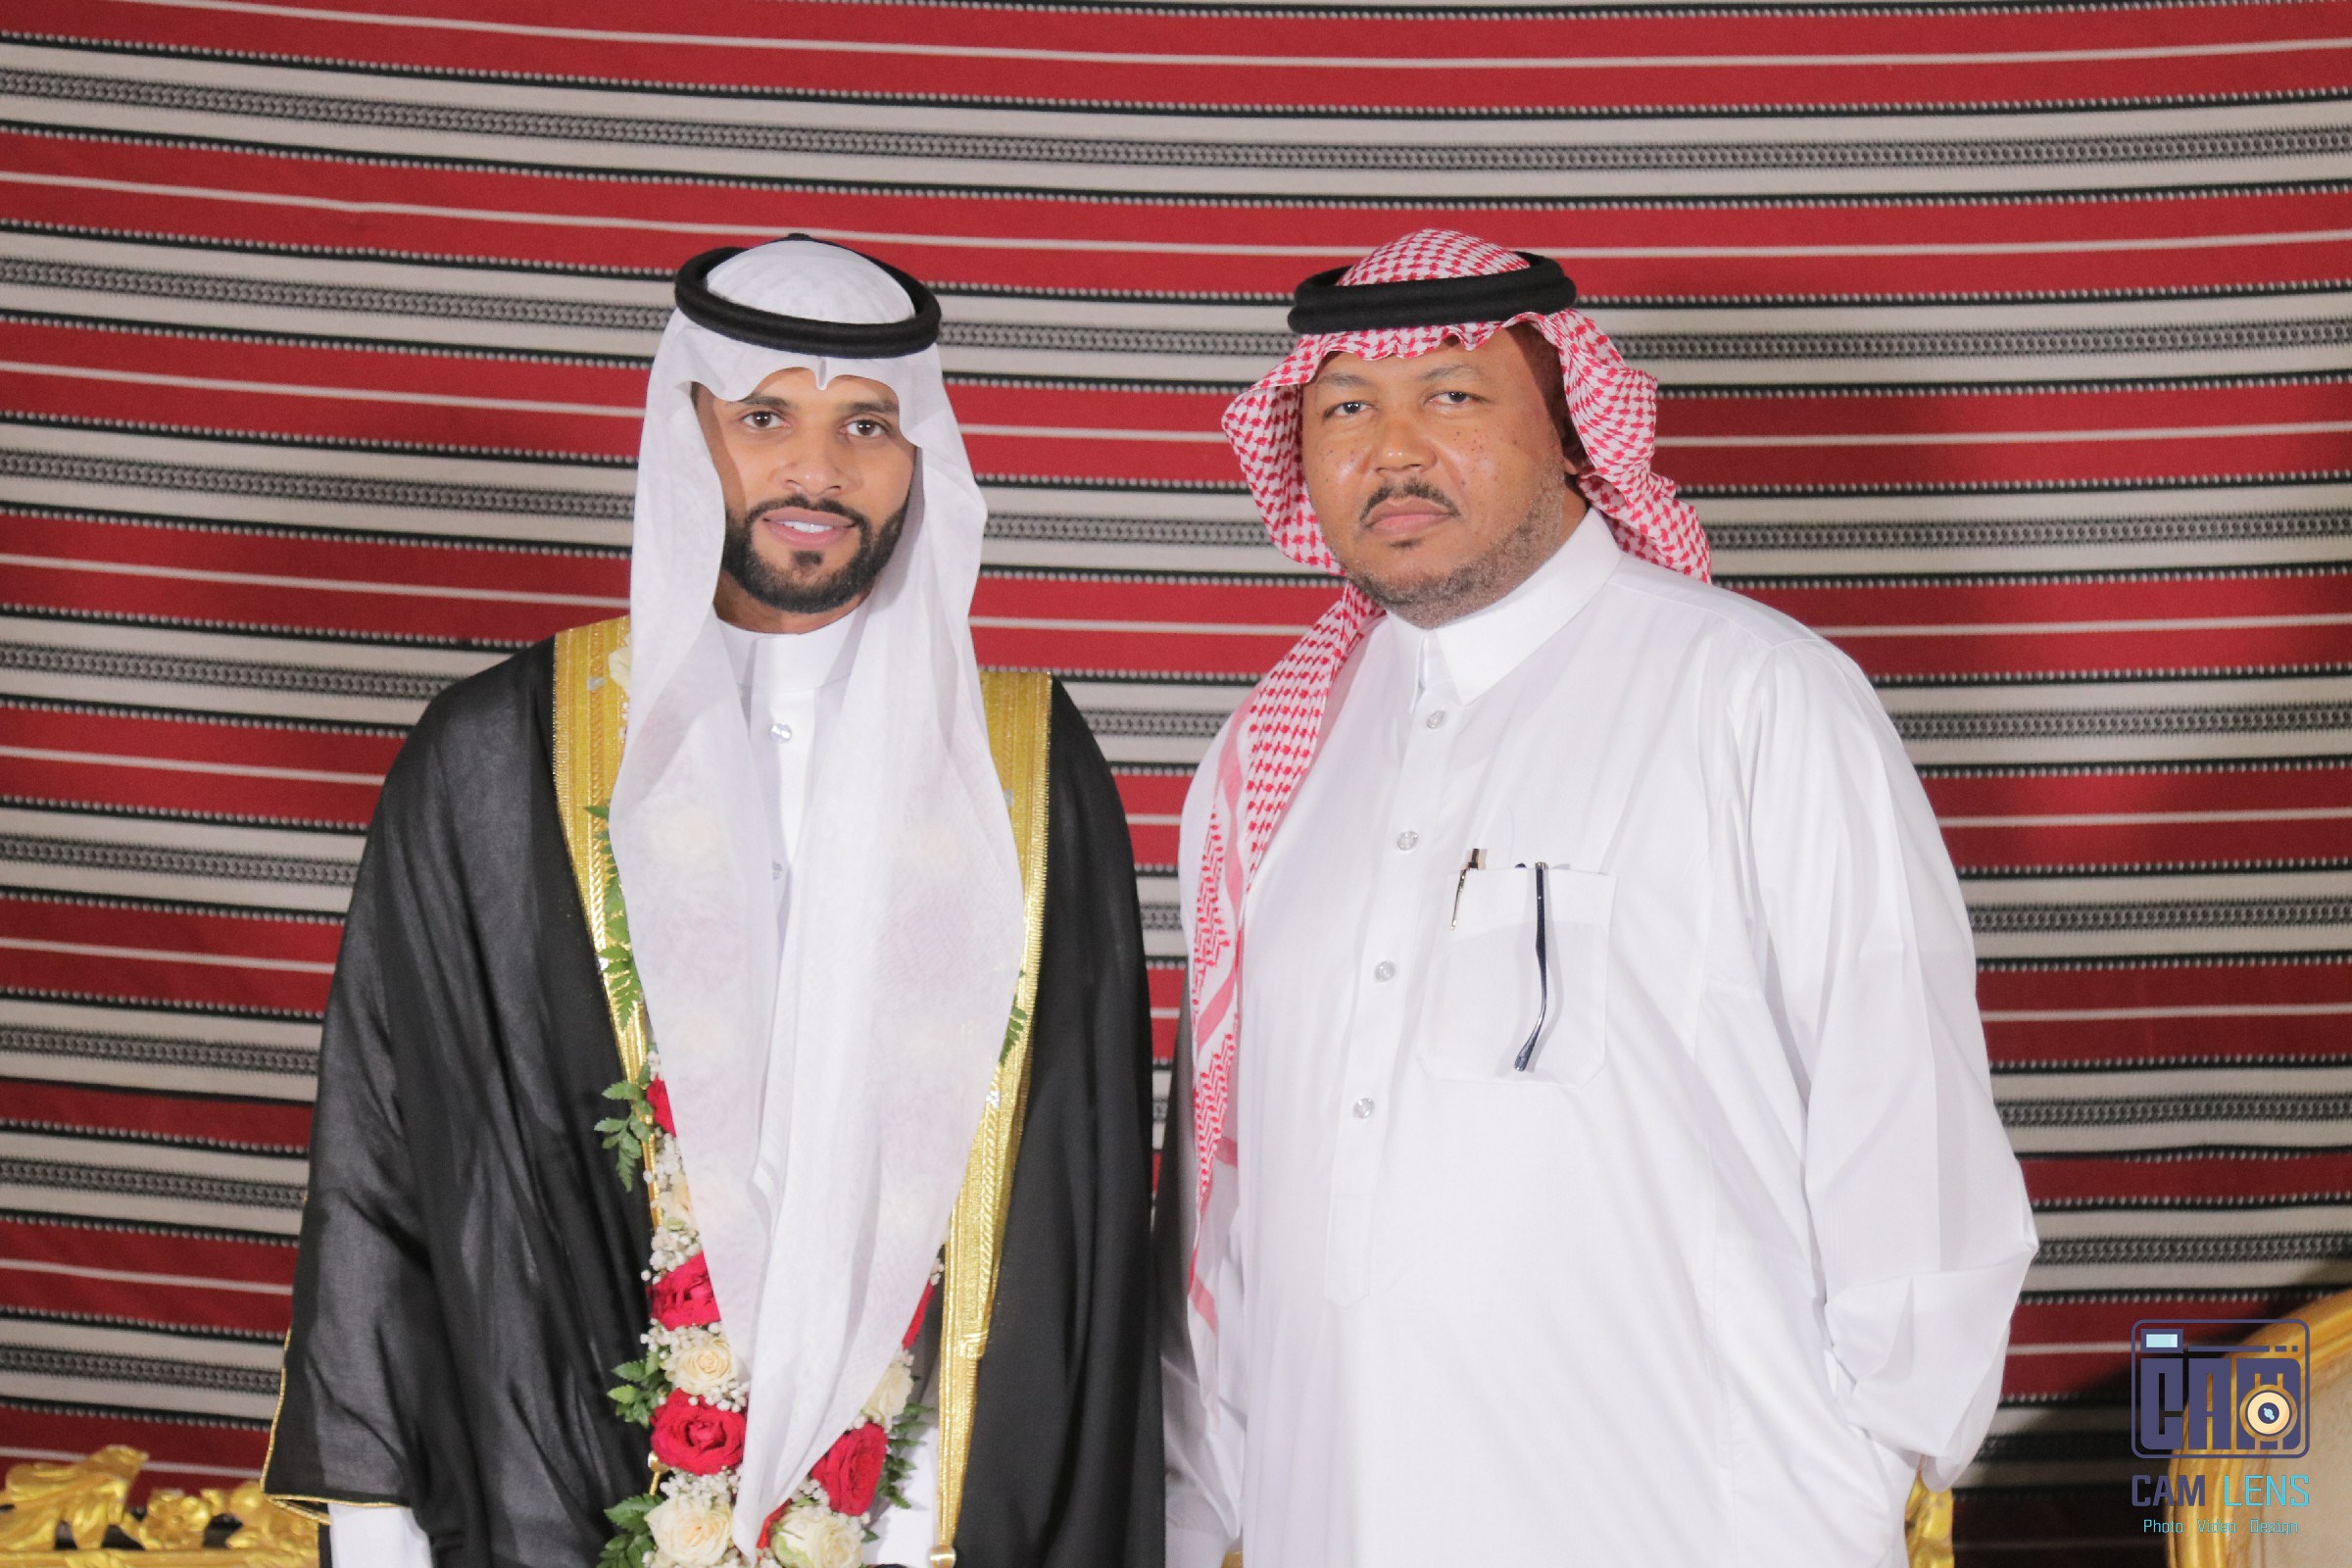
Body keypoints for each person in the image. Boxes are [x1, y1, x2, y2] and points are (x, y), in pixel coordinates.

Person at [266, 236, 1161, 1568]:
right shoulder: (497, 758)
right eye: (764, 418)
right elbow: (387, 1159)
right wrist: (380, 1526)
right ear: (688, 434)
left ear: (921, 457)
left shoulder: (1024, 769)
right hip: (578, 1486)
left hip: (928, 1507)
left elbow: (1083, 1192)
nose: (819, 469)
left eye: (867, 425)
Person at [1157, 229, 2036, 1568]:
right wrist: (1202, 1501)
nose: (1393, 451)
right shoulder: (1263, 761)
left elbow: (1906, 1125)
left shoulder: (1753, 697)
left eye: (1451, 395)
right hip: (1326, 1516)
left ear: (1572, 424)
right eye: (1345, 410)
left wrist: (1872, 1475)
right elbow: (1222, 1198)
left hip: (1702, 1520)